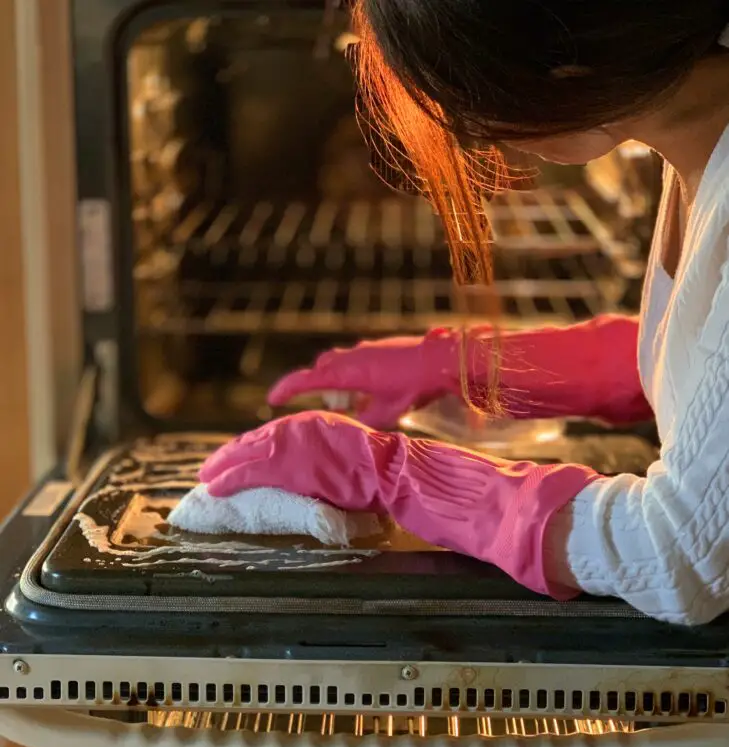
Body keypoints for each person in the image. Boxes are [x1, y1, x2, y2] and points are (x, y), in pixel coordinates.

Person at [200, 0, 729, 626]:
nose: (477, 135)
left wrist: (398, 478)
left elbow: (680, 555)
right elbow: (707, 362)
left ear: (569, 74)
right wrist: (474, 365)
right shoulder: (692, 134)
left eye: (477, 109)